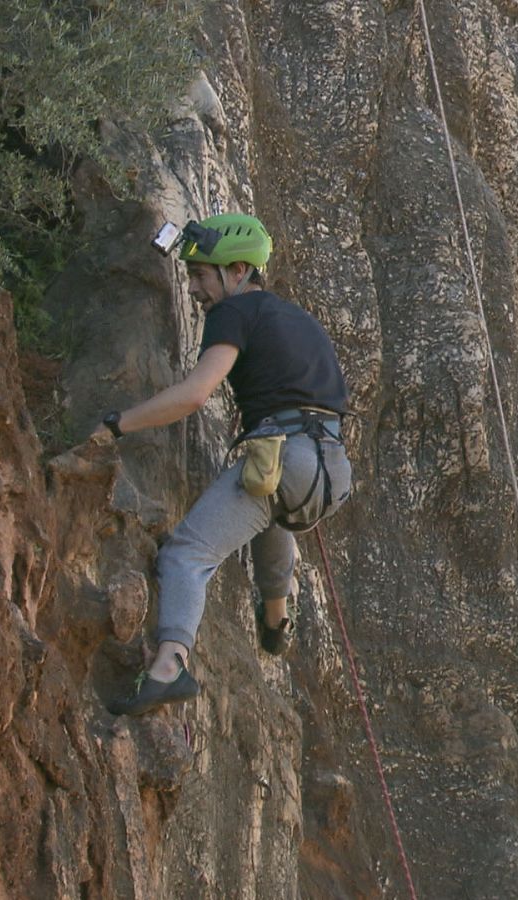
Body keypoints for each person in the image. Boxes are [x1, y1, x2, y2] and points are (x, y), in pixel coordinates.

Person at [89, 213, 353, 716]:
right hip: (330, 471)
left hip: (286, 456)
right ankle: (276, 616)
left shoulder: (234, 314)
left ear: (236, 271)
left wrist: (117, 424)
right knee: (267, 511)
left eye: (201, 275)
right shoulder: (298, 320)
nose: (193, 289)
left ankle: (168, 667)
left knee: (186, 554)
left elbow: (194, 394)